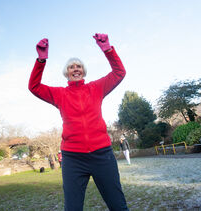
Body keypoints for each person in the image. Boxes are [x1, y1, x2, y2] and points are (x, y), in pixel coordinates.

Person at [29, 33, 129, 210]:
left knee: (118, 205)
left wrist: (107, 49)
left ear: (83, 71)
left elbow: (119, 72)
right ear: (66, 72)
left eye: (79, 66)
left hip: (102, 155)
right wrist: (41, 60)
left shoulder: (96, 88)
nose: (75, 69)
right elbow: (34, 86)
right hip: (73, 158)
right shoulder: (60, 94)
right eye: (71, 67)